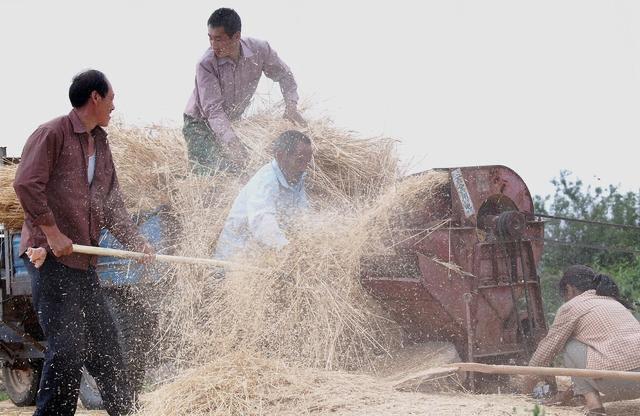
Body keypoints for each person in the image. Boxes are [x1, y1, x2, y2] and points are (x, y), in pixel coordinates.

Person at [13, 69, 155, 416]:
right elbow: (26, 184)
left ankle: (126, 413)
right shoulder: (52, 134)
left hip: (84, 265)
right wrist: (53, 232)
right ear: (95, 97)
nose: (113, 107)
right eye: (111, 99)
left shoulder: (101, 144)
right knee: (67, 351)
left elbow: (111, 205)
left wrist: (137, 243)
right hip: (53, 263)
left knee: (108, 347)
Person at [183, 7, 306, 173]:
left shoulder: (260, 50)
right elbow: (214, 111)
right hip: (199, 123)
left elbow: (284, 74)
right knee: (212, 170)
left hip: (232, 122)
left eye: (219, 39)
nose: (213, 45)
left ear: (236, 36)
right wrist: (233, 144)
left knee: (255, 164)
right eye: (210, 39)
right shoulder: (205, 64)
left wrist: (291, 106)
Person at [523, 265, 640, 416]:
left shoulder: (571, 307)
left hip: (618, 383)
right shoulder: (614, 302)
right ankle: (584, 398)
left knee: (567, 342)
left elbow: (545, 353)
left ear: (569, 289)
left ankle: (594, 407)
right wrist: (569, 394)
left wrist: (524, 391)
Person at [215, 130, 312, 260]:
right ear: (280, 156)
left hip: (265, 253)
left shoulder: (296, 178)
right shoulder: (266, 180)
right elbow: (261, 220)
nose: (303, 168)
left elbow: (302, 214)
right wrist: (285, 248)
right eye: (299, 161)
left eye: (307, 162)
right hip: (235, 258)